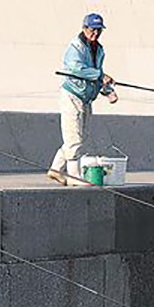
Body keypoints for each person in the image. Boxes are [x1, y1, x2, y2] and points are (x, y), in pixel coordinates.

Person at [47, 13, 118, 186]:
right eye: (93, 29)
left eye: (99, 30)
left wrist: (108, 91)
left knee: (80, 137)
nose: (96, 33)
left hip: (86, 98)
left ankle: (56, 170)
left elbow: (98, 72)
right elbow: (75, 69)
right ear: (84, 28)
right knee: (74, 137)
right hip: (72, 96)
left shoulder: (99, 49)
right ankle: (73, 176)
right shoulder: (75, 47)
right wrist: (100, 76)